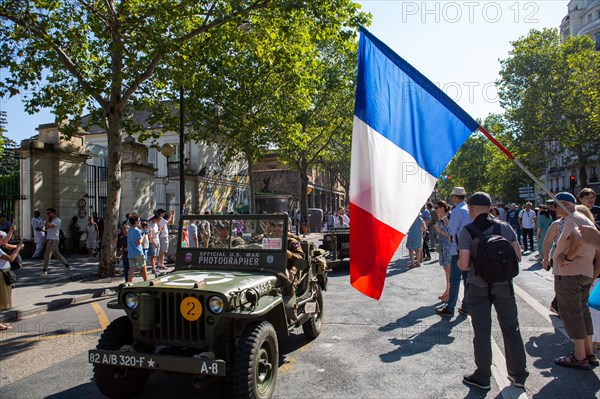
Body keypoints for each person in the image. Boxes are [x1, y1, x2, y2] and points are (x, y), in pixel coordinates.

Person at [457, 192, 528, 390]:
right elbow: (518, 256)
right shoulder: (504, 227)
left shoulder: (467, 231)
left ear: (470, 208)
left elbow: (463, 264)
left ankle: (482, 376)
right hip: (504, 286)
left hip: (478, 287)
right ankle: (518, 374)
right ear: (490, 207)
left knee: (482, 331)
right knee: (511, 328)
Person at [551, 192, 598, 370]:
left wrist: (568, 258)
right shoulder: (586, 219)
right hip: (584, 271)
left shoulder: (571, 219)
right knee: (583, 312)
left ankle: (579, 355)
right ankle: (588, 352)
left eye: (555, 205)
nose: (552, 209)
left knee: (573, 313)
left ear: (564, 204)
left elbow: (577, 238)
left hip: (571, 273)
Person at [436, 187, 471, 318]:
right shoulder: (468, 209)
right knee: (467, 279)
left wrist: (445, 220)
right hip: (468, 247)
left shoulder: (457, 211)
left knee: (455, 279)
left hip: (457, 248)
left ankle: (450, 307)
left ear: (455, 197)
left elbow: (451, 230)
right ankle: (466, 306)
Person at [0, 237, 24, 326]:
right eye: (0, 238)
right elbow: (10, 258)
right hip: (1, 275)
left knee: (2, 299)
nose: (2, 240)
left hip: (3, 274)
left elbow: (5, 243)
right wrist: (18, 248)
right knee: (1, 299)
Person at [42, 208, 71, 276]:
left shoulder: (57, 220)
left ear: (53, 213)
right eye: (47, 213)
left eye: (49, 213)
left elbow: (49, 226)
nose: (48, 215)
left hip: (53, 239)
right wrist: (47, 238)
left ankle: (44, 270)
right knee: (56, 254)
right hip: (51, 238)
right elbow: (48, 229)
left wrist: (46, 220)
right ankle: (67, 265)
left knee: (47, 255)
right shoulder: (51, 220)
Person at [433, 200, 452, 302]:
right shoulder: (442, 218)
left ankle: (449, 293)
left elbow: (451, 235)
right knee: (446, 269)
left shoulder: (447, 217)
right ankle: (447, 291)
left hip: (449, 247)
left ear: (442, 208)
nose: (435, 210)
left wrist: (440, 231)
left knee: (449, 270)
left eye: (436, 208)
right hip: (444, 246)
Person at [127, 215, 148, 282]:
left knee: (131, 269)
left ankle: (129, 283)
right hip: (138, 251)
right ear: (136, 222)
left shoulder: (129, 230)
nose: (140, 222)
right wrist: (143, 237)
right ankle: (146, 282)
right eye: (139, 221)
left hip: (131, 252)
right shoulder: (138, 231)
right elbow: (139, 242)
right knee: (143, 267)